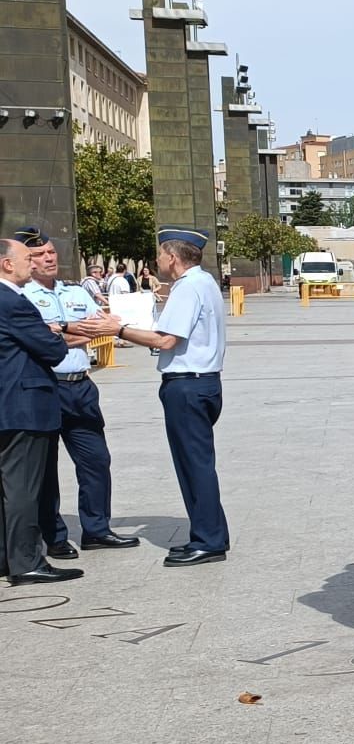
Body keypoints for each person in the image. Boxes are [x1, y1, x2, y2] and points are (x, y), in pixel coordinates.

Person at [108, 229, 231, 566]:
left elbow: (165, 340)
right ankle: (212, 533)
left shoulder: (188, 288)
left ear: (172, 258)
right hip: (203, 382)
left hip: (188, 385)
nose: (157, 261)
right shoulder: (204, 282)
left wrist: (116, 330)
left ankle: (208, 541)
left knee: (194, 466)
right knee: (198, 463)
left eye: (160, 255)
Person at [16, 229, 139, 559]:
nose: (50, 258)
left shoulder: (74, 291)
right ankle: (54, 535)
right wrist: (76, 330)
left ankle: (97, 529)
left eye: (52, 252)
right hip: (45, 386)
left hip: (80, 385)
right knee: (45, 467)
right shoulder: (21, 297)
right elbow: (37, 340)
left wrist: (65, 329)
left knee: (96, 460)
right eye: (41, 254)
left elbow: (106, 324)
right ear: (26, 260)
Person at [0, 237, 80, 585]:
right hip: (24, 405)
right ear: (6, 264)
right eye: (26, 258)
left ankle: (8, 557)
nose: (32, 264)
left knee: (8, 486)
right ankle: (27, 561)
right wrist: (53, 334)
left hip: (10, 402)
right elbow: (52, 351)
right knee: (23, 488)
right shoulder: (12, 301)